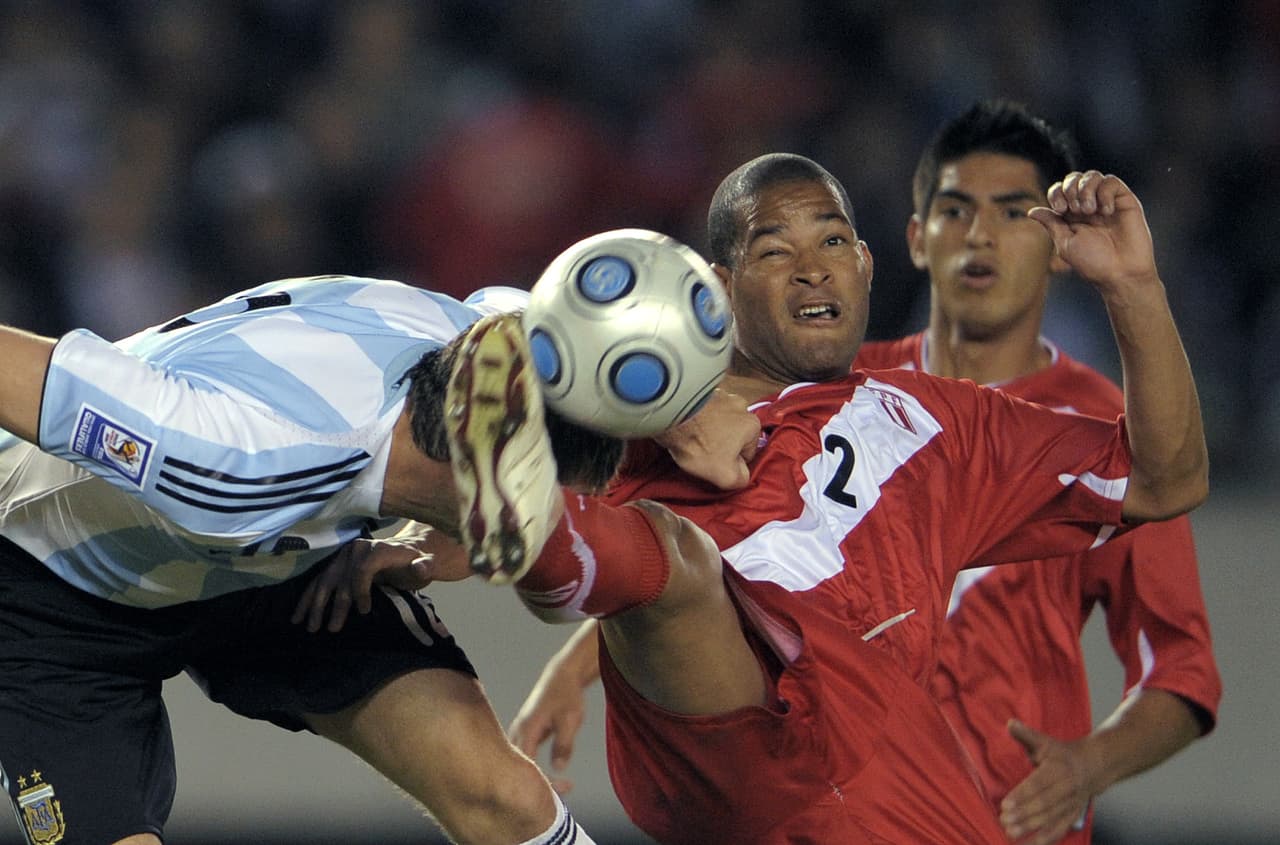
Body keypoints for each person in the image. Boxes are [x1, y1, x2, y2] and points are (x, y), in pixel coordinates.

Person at [444, 152, 1209, 842]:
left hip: (875, 755)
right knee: (676, 564)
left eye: (833, 242)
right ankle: (541, 540)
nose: (814, 268)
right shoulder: (636, 398)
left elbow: (1164, 479)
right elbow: (522, 321)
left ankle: (545, 542)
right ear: (717, 287)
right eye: (775, 250)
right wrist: (676, 407)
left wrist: (1132, 285)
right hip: (739, 740)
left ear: (868, 263)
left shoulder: (938, 420)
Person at [0, 276, 613, 844]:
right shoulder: (236, 462)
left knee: (502, 797)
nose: (553, 527)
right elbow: (44, 382)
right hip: (48, 594)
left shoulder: (486, 348)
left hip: (288, 558)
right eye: (545, 503)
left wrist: (453, 536)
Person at [853, 100, 1221, 845]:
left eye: (1013, 211)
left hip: (1009, 827)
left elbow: (1181, 666)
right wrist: (578, 669)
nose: (980, 234)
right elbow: (727, 561)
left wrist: (1089, 765)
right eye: (955, 211)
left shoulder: (1109, 431)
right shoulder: (844, 395)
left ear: (1058, 244)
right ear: (917, 239)